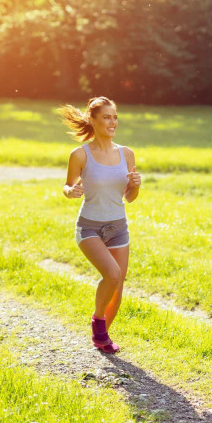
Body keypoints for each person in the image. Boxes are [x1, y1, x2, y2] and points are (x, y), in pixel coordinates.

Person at [58, 96, 141, 354]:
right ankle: (98, 322)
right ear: (93, 121)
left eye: (115, 117)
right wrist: (70, 190)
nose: (112, 122)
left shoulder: (126, 153)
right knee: (112, 274)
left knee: (118, 283)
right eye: (106, 117)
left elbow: (129, 197)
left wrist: (136, 186)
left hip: (118, 226)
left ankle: (103, 336)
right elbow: (68, 185)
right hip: (90, 228)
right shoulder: (80, 154)